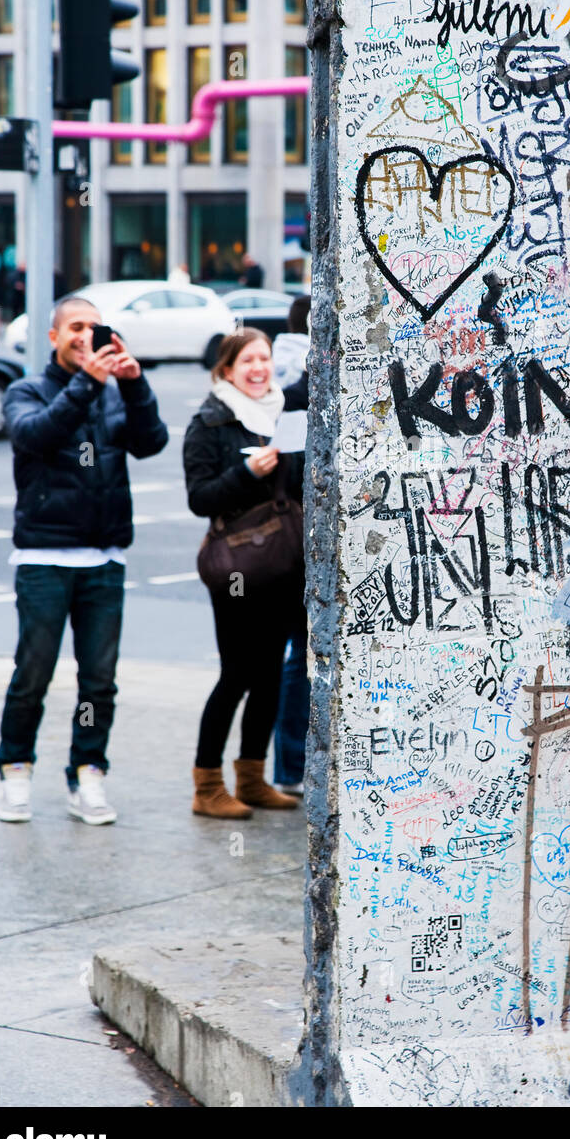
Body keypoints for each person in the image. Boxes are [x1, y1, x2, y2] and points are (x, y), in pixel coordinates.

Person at [0, 297, 169, 825]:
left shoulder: (113, 394)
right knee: (34, 673)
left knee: (99, 679)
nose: (84, 335)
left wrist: (134, 384)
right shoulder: (26, 391)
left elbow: (152, 443)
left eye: (94, 327)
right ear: (53, 336)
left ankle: (88, 773)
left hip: (104, 558)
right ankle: (15, 769)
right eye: (75, 327)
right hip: (44, 557)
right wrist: (88, 383)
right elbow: (35, 434)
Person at [183, 329, 304, 817]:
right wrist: (246, 474)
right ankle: (207, 785)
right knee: (236, 673)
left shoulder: (285, 414)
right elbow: (200, 499)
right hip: (237, 567)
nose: (259, 368)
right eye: (247, 360)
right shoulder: (210, 422)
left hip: (282, 564)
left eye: (265, 358)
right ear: (226, 369)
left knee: (271, 674)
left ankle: (251, 776)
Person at [269, 296, 311, 796]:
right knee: (301, 654)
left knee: (300, 654)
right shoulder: (299, 391)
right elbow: (294, 471)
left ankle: (291, 766)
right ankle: (289, 767)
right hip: (302, 543)